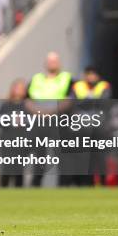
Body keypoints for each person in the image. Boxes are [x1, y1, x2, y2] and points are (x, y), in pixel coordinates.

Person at [25, 51, 73, 186]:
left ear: (59, 63)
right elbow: (28, 101)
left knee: (62, 155)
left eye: (55, 61)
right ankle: (35, 185)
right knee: (39, 156)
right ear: (45, 63)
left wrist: (51, 112)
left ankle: (64, 186)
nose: (52, 64)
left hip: (60, 123)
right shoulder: (36, 79)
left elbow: (69, 100)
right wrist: (40, 113)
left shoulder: (67, 79)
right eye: (50, 61)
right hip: (39, 123)